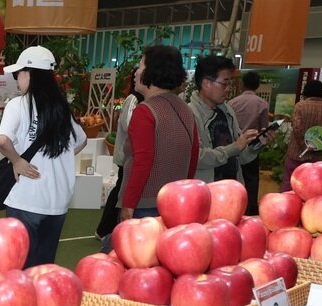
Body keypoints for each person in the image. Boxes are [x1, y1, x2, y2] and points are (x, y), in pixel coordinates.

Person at [0, 46, 86, 268]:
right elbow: (81, 140)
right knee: (44, 270)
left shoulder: (18, 104)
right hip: (58, 201)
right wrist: (56, 161)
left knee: (20, 267)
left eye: (18, 74)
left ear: (29, 73)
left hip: (26, 197)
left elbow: (3, 140)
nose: (17, 80)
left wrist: (16, 160)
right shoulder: (61, 108)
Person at [122, 45, 199, 220]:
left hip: (145, 204)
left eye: (141, 66)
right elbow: (193, 156)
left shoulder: (145, 111)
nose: (136, 72)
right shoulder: (186, 110)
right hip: (176, 202)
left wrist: (128, 204)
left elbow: (142, 161)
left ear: (152, 71)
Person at [188, 55, 260, 184]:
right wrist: (234, 148)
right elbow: (197, 158)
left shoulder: (227, 111)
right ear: (206, 84)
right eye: (224, 83)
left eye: (229, 84)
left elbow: (240, 156)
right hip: (206, 192)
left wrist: (257, 144)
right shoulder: (189, 114)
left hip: (231, 190)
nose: (228, 89)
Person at [95, 67, 143, 242]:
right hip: (127, 156)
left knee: (120, 190)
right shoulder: (133, 99)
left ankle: (106, 229)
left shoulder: (143, 100)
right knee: (119, 192)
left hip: (133, 155)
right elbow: (129, 126)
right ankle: (104, 229)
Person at [283, 79, 322, 192]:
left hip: (297, 153)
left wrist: (305, 146)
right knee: (312, 186)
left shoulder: (300, 106)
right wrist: (317, 146)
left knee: (290, 181)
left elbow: (297, 128)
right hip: (317, 155)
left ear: (306, 91)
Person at [228, 70, 270, 214]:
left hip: (234, 145)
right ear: (257, 86)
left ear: (243, 84)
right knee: (252, 178)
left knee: (234, 177)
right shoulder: (262, 103)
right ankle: (251, 208)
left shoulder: (232, 103)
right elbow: (265, 127)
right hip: (253, 145)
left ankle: (234, 207)